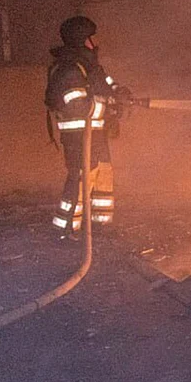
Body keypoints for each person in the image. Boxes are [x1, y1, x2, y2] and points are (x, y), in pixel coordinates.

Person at [45, 16, 124, 236]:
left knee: (103, 175)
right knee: (81, 179)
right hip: (79, 135)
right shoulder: (70, 69)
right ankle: (66, 229)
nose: (95, 42)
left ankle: (101, 224)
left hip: (96, 133)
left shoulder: (90, 66)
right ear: (81, 39)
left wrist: (120, 93)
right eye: (91, 37)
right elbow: (76, 105)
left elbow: (106, 85)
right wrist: (107, 103)